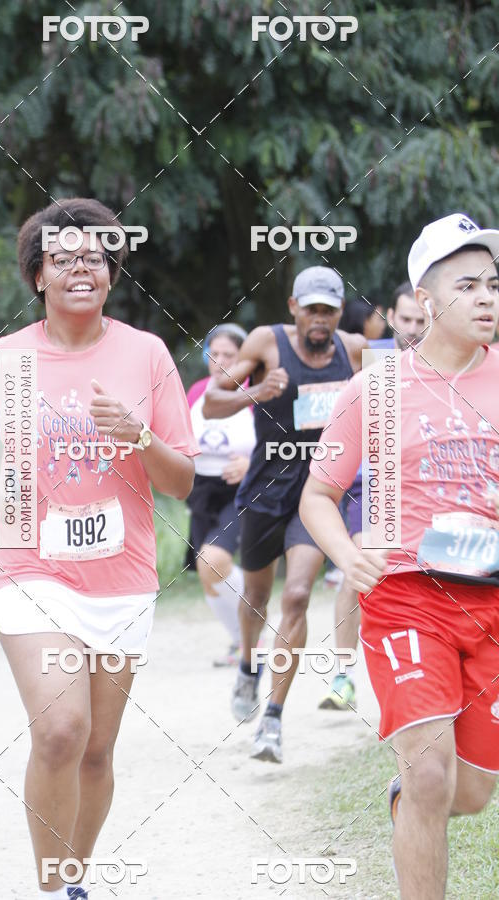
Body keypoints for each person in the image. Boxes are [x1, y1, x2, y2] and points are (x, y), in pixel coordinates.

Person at [0, 198, 198, 900]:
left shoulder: (145, 355)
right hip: (32, 566)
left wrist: (138, 437)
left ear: (112, 276)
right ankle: (53, 890)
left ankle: (72, 879)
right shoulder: (8, 360)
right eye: (62, 258)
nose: (79, 268)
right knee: (61, 730)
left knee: (95, 750)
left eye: (94, 257)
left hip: (121, 576)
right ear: (38, 277)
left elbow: (181, 477)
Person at [300, 213, 499, 899]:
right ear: (427, 297)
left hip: (493, 601)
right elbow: (319, 494)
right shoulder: (376, 389)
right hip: (408, 595)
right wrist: (346, 552)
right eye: (467, 285)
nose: (486, 299)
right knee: (430, 776)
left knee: (467, 793)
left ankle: (408, 801)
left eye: (494, 286)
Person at [203, 266, 366, 762]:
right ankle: (249, 666)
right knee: (256, 595)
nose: (320, 319)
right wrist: (256, 392)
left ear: (339, 312)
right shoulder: (265, 343)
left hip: (318, 492)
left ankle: (272, 720)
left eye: (329, 310)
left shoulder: (355, 350)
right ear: (293, 307)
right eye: (311, 309)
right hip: (266, 489)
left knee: (296, 596)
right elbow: (211, 404)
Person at [318, 280, 426, 710]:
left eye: (422, 320)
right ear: (391, 319)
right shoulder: (371, 361)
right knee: (359, 568)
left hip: (429, 489)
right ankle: (343, 675)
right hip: (374, 485)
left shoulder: (446, 367)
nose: (414, 329)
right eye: (406, 320)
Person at [186, 324, 256, 666]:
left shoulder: (255, 393)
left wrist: (250, 463)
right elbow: (178, 436)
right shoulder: (197, 391)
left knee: (214, 560)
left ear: (243, 358)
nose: (221, 361)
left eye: (230, 355)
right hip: (201, 492)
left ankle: (256, 625)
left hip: (240, 492)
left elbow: (280, 443)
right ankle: (242, 643)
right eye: (215, 354)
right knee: (207, 571)